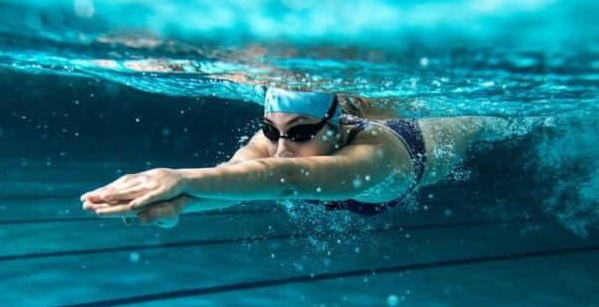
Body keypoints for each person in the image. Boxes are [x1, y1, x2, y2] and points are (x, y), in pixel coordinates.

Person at [80, 87, 504, 227]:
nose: (282, 147)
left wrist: (178, 177)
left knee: (486, 120)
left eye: (300, 133)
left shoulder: (376, 155)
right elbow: (232, 179)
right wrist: (175, 205)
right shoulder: (277, 141)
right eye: (271, 130)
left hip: (433, 139)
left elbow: (289, 177)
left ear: (337, 126)